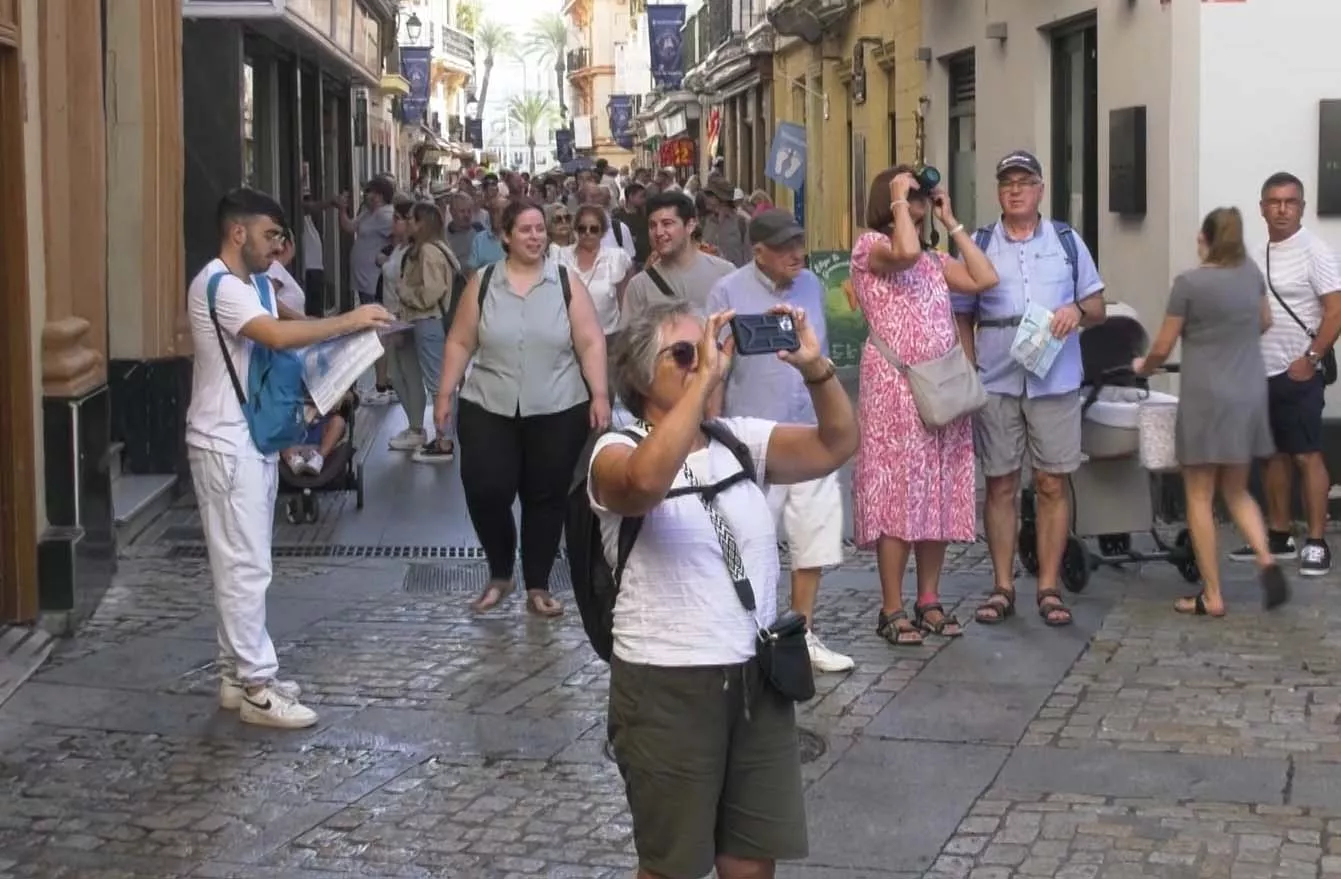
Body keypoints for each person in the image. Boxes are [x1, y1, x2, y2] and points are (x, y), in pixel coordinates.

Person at [591, 300, 859, 879]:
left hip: (754, 679)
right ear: (641, 376)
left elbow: (837, 443)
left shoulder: (738, 441)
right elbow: (641, 484)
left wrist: (816, 368)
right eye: (684, 354)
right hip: (667, 685)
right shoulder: (613, 451)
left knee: (750, 863)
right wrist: (706, 379)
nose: (704, 363)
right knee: (672, 867)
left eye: (708, 350)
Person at [186, 189, 390, 728]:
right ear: (238, 233)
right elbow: (275, 333)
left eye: (281, 237)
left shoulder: (251, 282)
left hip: (245, 436)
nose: (278, 247)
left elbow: (290, 318)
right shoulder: (220, 286)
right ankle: (256, 685)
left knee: (243, 560)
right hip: (224, 439)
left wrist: (347, 333)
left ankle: (236, 673)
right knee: (245, 566)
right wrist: (348, 321)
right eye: (270, 236)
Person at [434, 197, 611, 617]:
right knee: (485, 489)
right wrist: (443, 393)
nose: (536, 236)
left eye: (540, 229)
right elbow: (460, 340)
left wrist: (600, 394)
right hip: (487, 403)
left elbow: (590, 340)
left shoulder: (565, 281)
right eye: (526, 229)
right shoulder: (484, 280)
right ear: (506, 237)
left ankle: (538, 582)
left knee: (546, 496)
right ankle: (500, 571)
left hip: (558, 404)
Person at [952, 150, 1106, 629]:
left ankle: (1048, 585)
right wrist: (969, 366)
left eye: (1025, 182)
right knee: (999, 483)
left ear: (1040, 189)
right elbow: (961, 311)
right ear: (998, 191)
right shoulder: (978, 241)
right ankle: (1002, 585)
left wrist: (1077, 313)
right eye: (1007, 183)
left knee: (1052, 482)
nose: (1015, 190)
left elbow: (1097, 303)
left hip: (1054, 377)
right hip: (996, 379)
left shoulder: (1066, 239)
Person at [853, 167, 999, 645]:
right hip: (894, 388)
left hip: (940, 386)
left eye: (919, 195)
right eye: (909, 194)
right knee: (898, 493)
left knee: (935, 491)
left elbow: (984, 277)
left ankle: (929, 599)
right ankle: (891, 607)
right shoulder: (869, 247)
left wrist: (951, 219)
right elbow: (905, 251)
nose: (917, 200)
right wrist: (898, 197)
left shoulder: (935, 260)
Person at [707, 209, 855, 672]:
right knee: (754, 538)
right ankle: (753, 635)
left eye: (799, 243)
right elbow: (713, 365)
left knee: (812, 536)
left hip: (809, 431)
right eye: (785, 247)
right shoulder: (728, 291)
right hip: (753, 436)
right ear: (759, 253)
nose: (797, 253)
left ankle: (802, 634)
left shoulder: (812, 284)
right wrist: (712, 430)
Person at [1134, 207, 1290, 615]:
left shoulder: (1189, 283)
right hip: (1248, 393)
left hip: (1206, 397)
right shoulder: (1251, 275)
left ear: (1205, 237)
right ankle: (1267, 558)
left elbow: (1163, 346)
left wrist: (1143, 367)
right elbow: (1265, 321)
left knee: (1199, 496)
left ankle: (1212, 595)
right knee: (1236, 490)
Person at [1226, 171, 1341, 575]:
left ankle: (1316, 540)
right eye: (1274, 202)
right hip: (1261, 371)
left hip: (1300, 372)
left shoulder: (1316, 252)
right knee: (1271, 454)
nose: (1282, 209)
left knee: (1307, 454)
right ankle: (1278, 534)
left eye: (1290, 202)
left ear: (1302, 207)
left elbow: (1335, 309)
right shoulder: (1257, 253)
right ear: (1262, 208)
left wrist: (1311, 357)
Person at [400, 201, 461, 463]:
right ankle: (444, 436)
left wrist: (406, 294)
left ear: (421, 223)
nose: (407, 224)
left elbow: (432, 292)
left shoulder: (428, 251)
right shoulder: (439, 248)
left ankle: (444, 439)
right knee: (441, 380)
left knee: (438, 382)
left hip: (428, 319)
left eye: (412, 220)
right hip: (433, 320)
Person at [620, 191, 735, 327]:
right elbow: (629, 341)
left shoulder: (725, 273)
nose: (659, 232)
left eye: (667, 224)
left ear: (690, 226)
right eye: (652, 226)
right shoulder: (640, 287)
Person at [337, 176, 397, 403]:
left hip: (374, 280)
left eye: (372, 192)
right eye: (367, 192)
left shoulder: (386, 215)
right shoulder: (368, 213)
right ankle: (384, 379)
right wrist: (342, 209)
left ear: (382, 195)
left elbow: (399, 237)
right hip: (363, 281)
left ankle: (382, 383)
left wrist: (387, 256)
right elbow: (349, 226)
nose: (367, 196)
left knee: (377, 330)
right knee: (373, 329)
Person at [379, 198, 428, 451]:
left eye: (401, 219)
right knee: (396, 375)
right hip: (391, 316)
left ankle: (417, 427)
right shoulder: (399, 249)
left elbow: (409, 286)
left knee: (408, 373)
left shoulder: (414, 252)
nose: (397, 224)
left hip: (403, 317)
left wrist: (400, 317)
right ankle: (413, 424)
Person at [557, 204, 633, 364]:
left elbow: (625, 304)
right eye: (582, 228)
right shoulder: (560, 257)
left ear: (603, 231)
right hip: (567, 342)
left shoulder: (616, 258)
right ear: (576, 230)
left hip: (609, 340)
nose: (587, 233)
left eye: (593, 229)